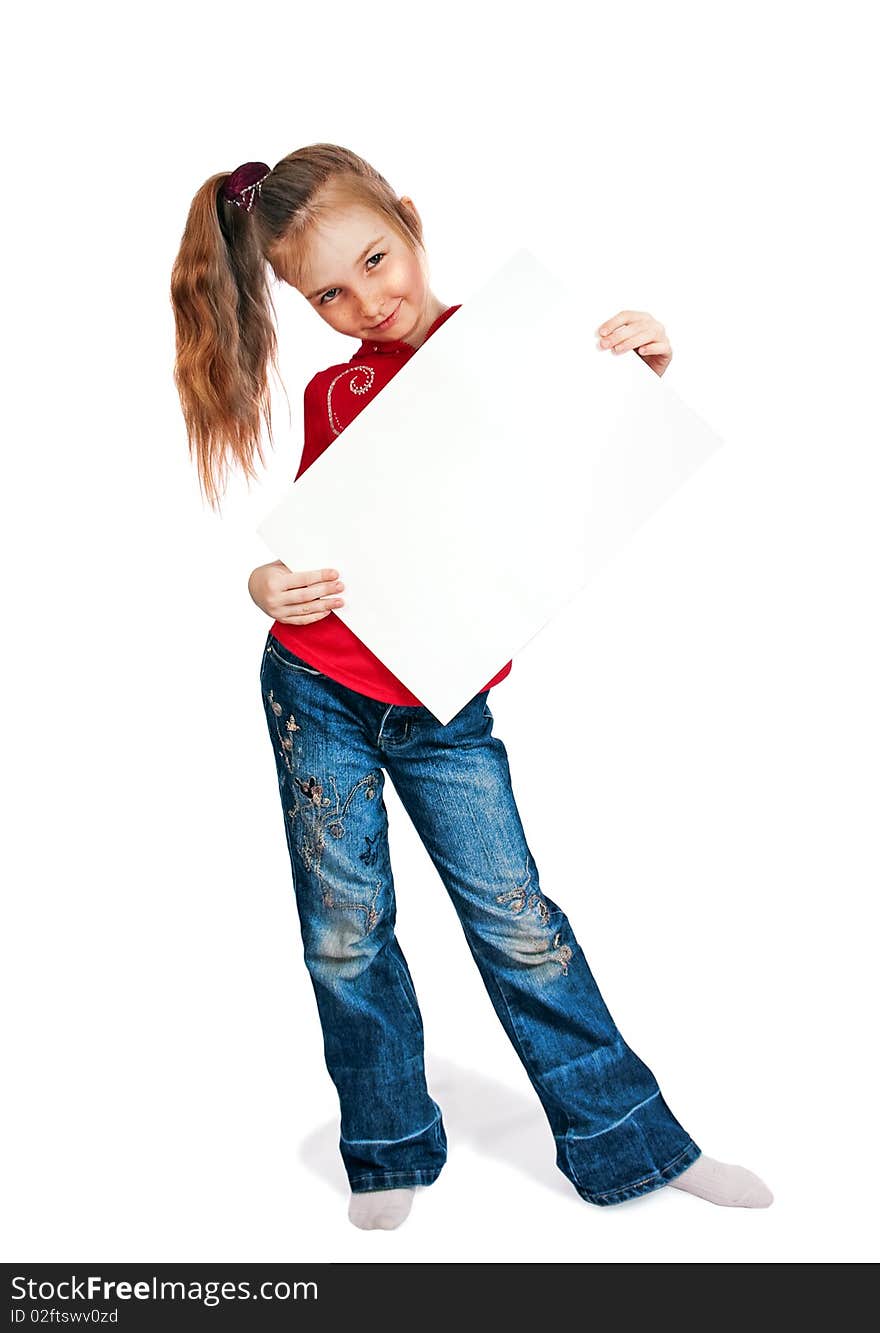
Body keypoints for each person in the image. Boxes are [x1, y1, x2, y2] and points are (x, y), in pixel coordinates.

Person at [170, 143, 772, 1231]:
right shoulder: (332, 389)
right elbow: (321, 532)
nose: (365, 302)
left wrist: (638, 372)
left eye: (376, 261)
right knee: (344, 928)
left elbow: (585, 455)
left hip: (443, 707)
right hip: (317, 690)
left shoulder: (511, 350)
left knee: (518, 923)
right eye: (328, 295)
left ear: (409, 219)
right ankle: (389, 1139)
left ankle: (628, 1140)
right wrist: (264, 576)